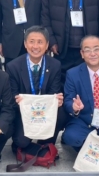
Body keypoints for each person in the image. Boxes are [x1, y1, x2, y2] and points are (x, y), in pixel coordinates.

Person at [6, 26, 67, 154]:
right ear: (25, 44)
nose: (35, 46)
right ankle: (21, 143)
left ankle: (46, 143)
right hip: (24, 113)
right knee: (22, 142)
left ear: (47, 45)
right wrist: (19, 101)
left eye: (40, 42)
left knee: (61, 111)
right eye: (32, 42)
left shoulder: (55, 65)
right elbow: (12, 96)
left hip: (45, 111)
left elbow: (53, 92)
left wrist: (56, 101)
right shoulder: (13, 66)